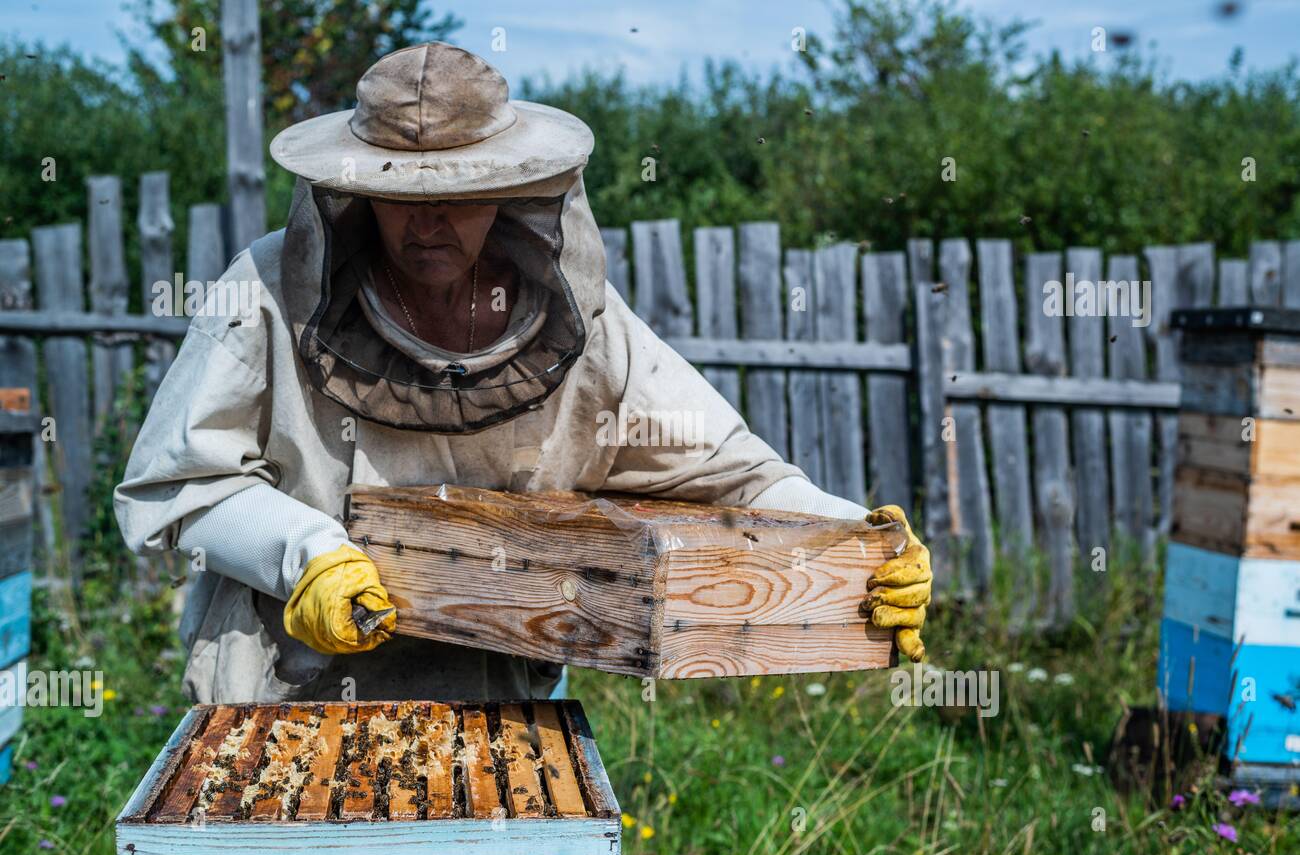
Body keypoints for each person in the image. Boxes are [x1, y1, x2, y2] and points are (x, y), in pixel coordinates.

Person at [114, 42, 931, 704]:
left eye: (460, 194)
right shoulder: (259, 293)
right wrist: (305, 555)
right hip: (281, 690)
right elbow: (182, 486)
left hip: (500, 704)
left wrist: (860, 541)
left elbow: (738, 476)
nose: (427, 223)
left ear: (514, 191)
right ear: (352, 194)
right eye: (400, 195)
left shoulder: (584, 323)